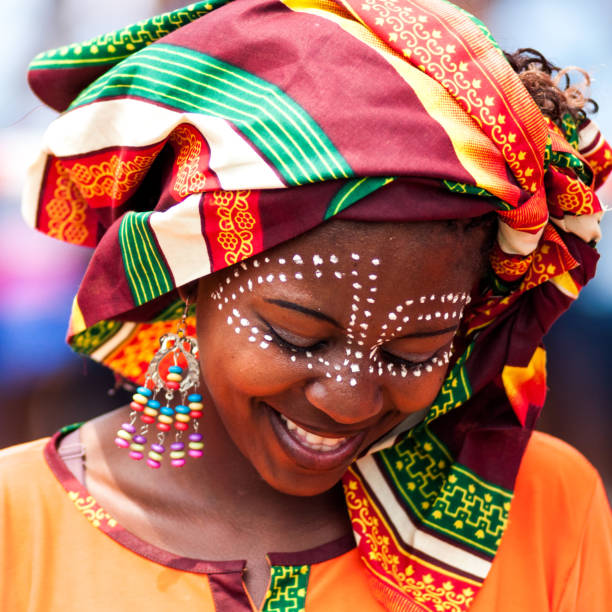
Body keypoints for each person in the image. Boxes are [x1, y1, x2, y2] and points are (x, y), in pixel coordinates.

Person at [2, 0, 611, 610]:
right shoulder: (17, 523)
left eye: (413, 351)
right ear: (188, 273)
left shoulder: (545, 507)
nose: (348, 401)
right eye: (297, 337)